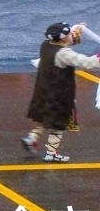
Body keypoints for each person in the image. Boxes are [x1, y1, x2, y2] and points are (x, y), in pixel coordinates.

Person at [24, 22, 100, 162]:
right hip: (60, 95)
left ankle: (32, 138)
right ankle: (51, 153)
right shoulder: (63, 54)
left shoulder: (46, 45)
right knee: (58, 124)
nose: (72, 35)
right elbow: (87, 63)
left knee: (46, 118)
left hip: (44, 90)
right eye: (70, 34)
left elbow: (64, 44)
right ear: (64, 38)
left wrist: (76, 31)